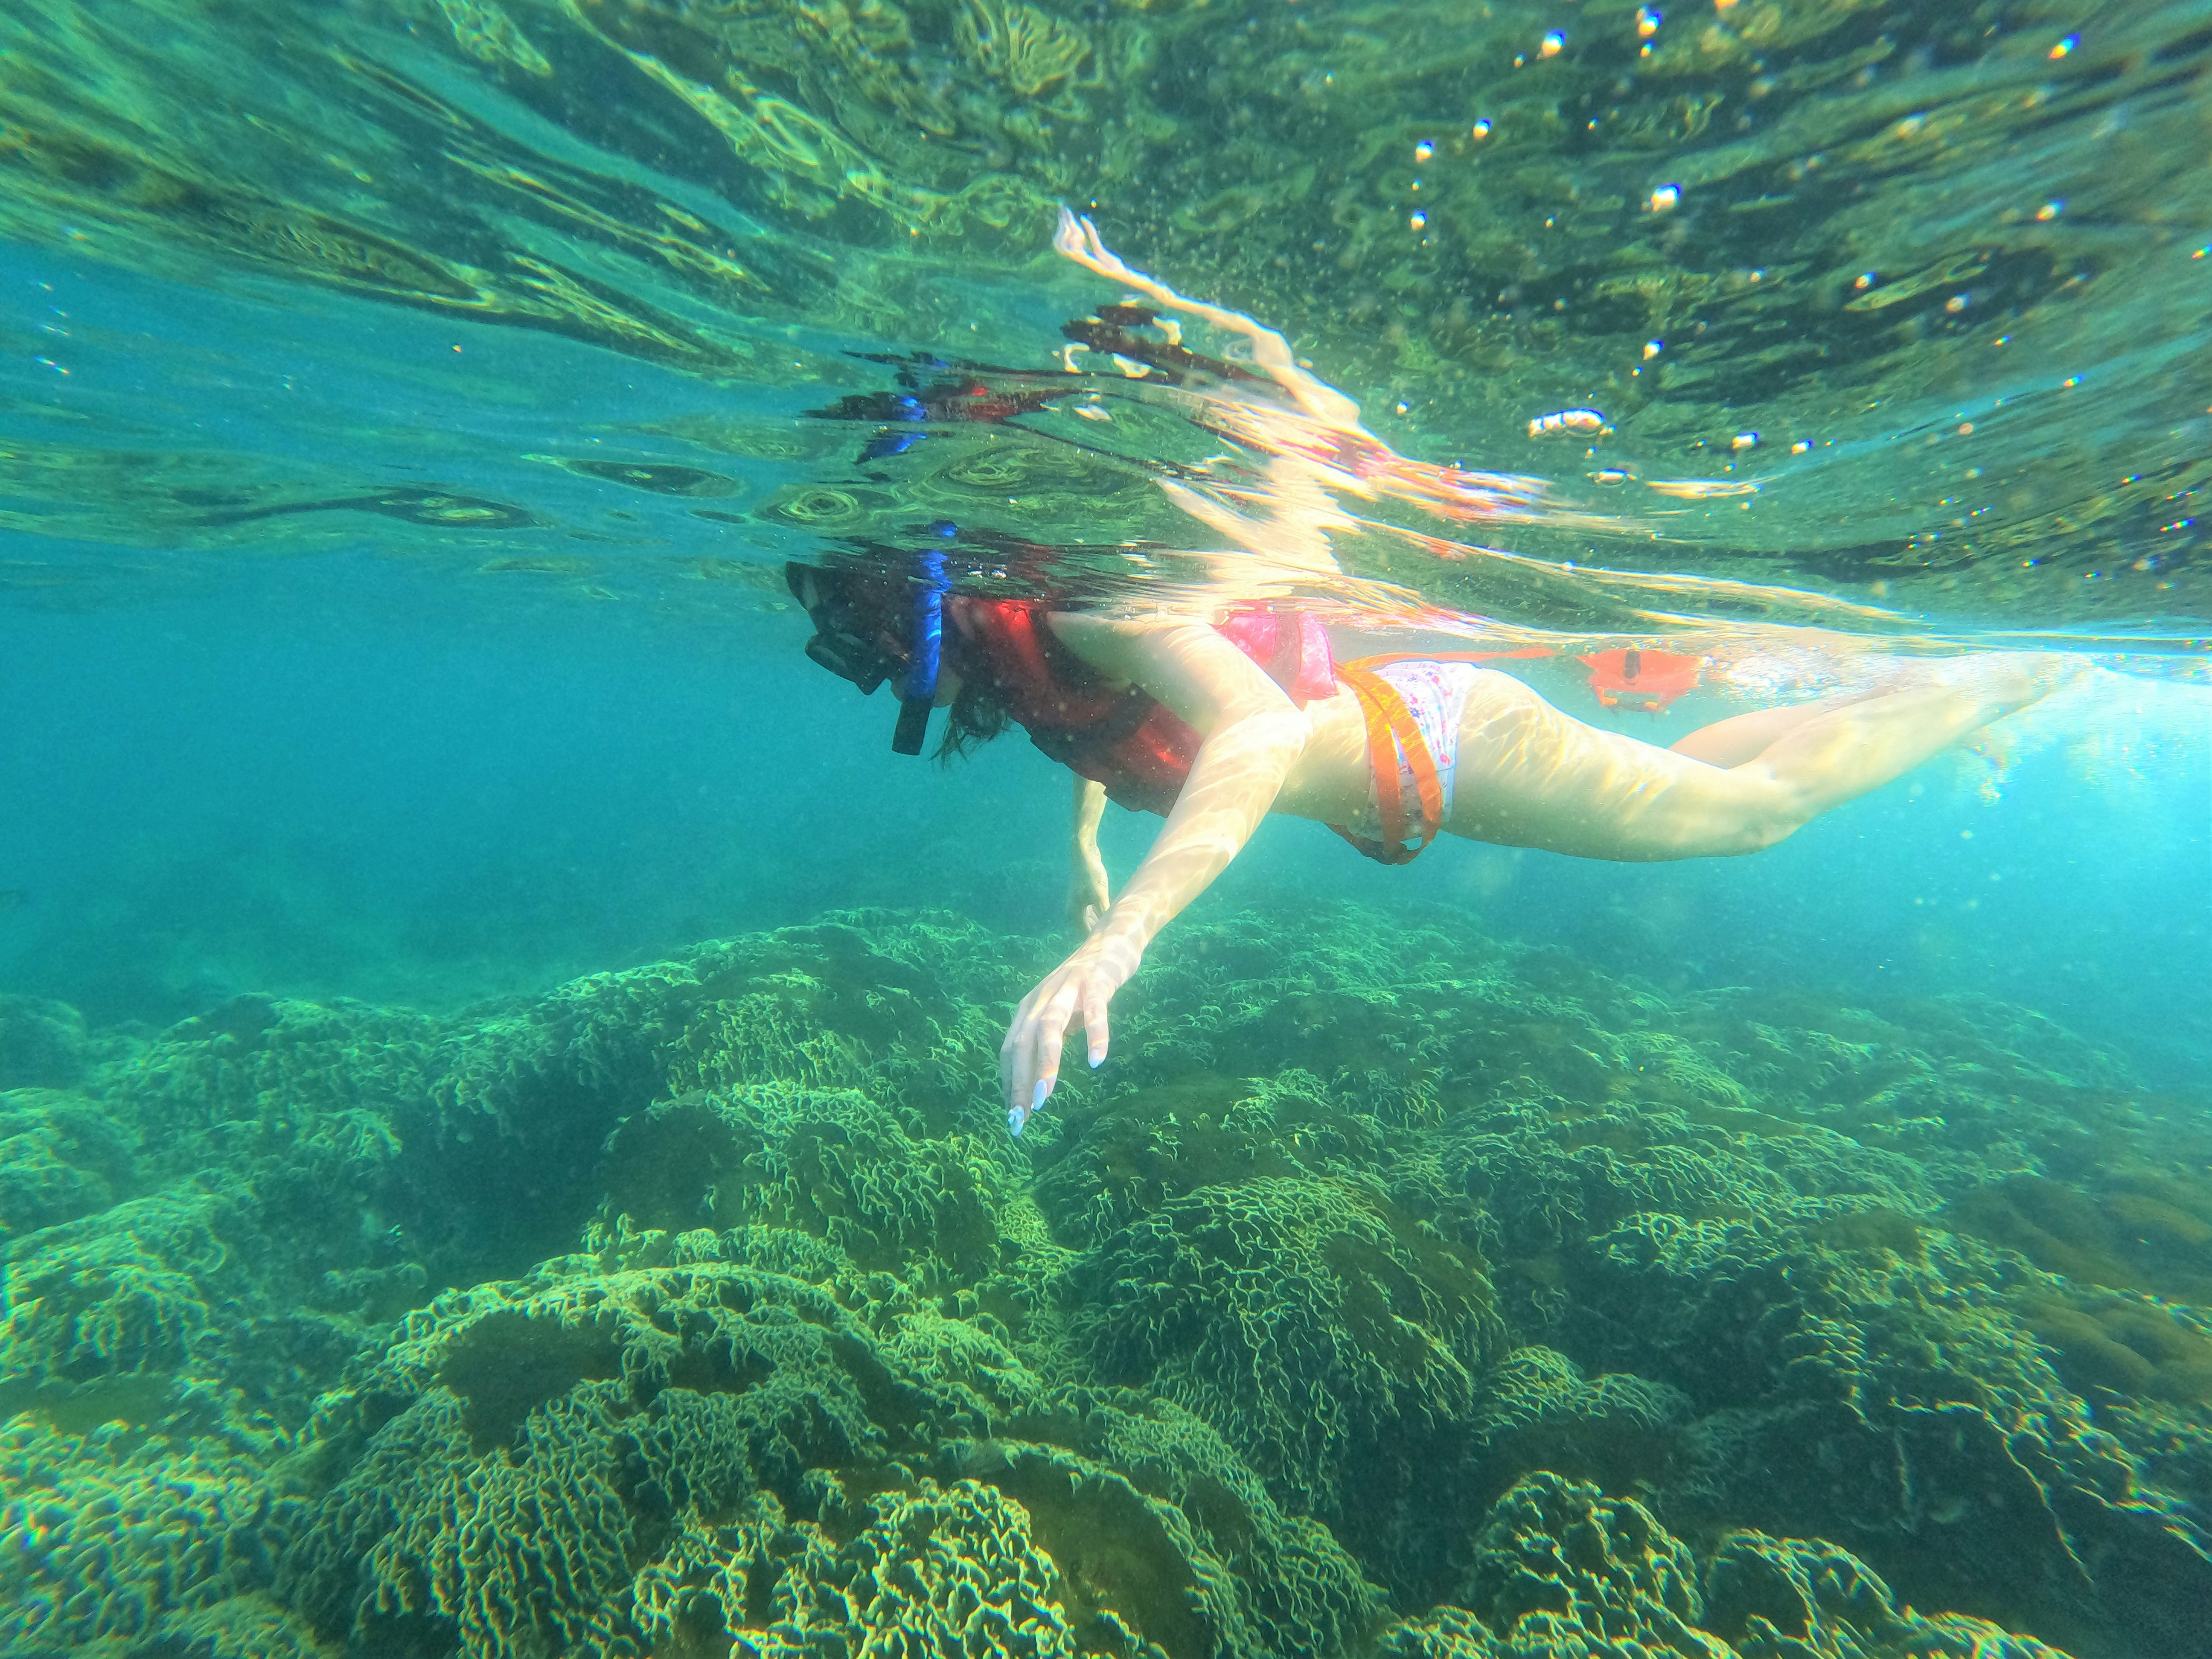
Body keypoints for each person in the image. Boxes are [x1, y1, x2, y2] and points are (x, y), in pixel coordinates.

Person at [788, 561, 2076, 1136]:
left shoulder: (1093, 599)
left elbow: (1251, 723)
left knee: (1754, 817)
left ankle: (1991, 685)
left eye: (863, 635)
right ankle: (1882, 698)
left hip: (1441, 742)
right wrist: (1089, 861)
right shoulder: (1013, 667)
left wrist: (1128, 939)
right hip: (1410, 771)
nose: (866, 671)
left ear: (922, 593)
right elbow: (1098, 739)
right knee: (1701, 784)